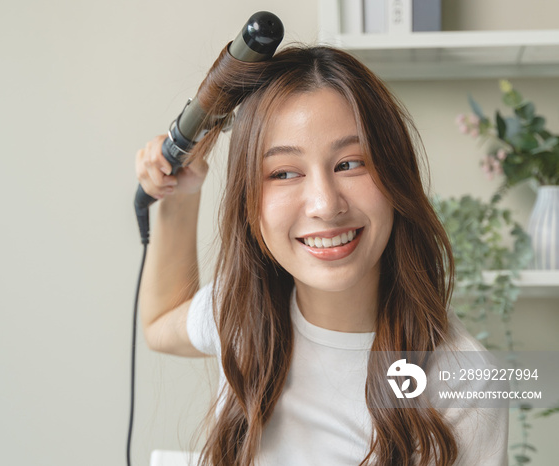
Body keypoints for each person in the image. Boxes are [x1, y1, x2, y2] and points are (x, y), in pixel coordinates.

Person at [135, 45, 508, 466]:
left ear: (395, 176)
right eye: (284, 173)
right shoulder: (241, 313)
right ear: (248, 201)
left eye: (350, 164)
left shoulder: (464, 383)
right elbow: (157, 324)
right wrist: (181, 194)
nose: (325, 205)